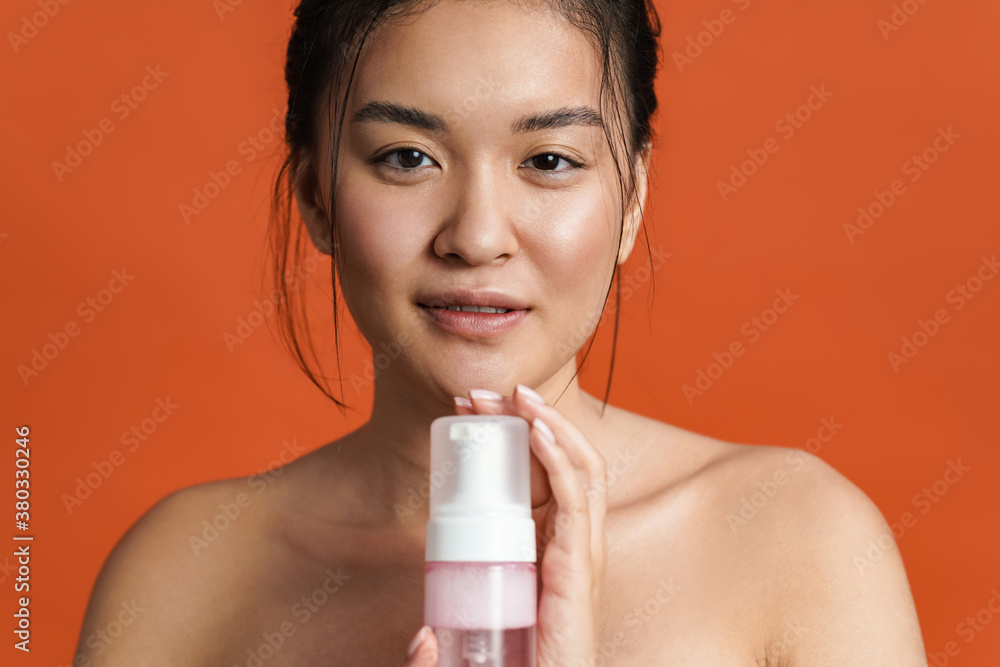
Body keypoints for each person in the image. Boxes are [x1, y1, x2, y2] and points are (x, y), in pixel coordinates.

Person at [75, 0, 929, 664]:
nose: (478, 234)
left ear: (630, 199)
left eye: (549, 160)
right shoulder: (185, 572)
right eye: (407, 156)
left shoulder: (797, 543)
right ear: (315, 196)